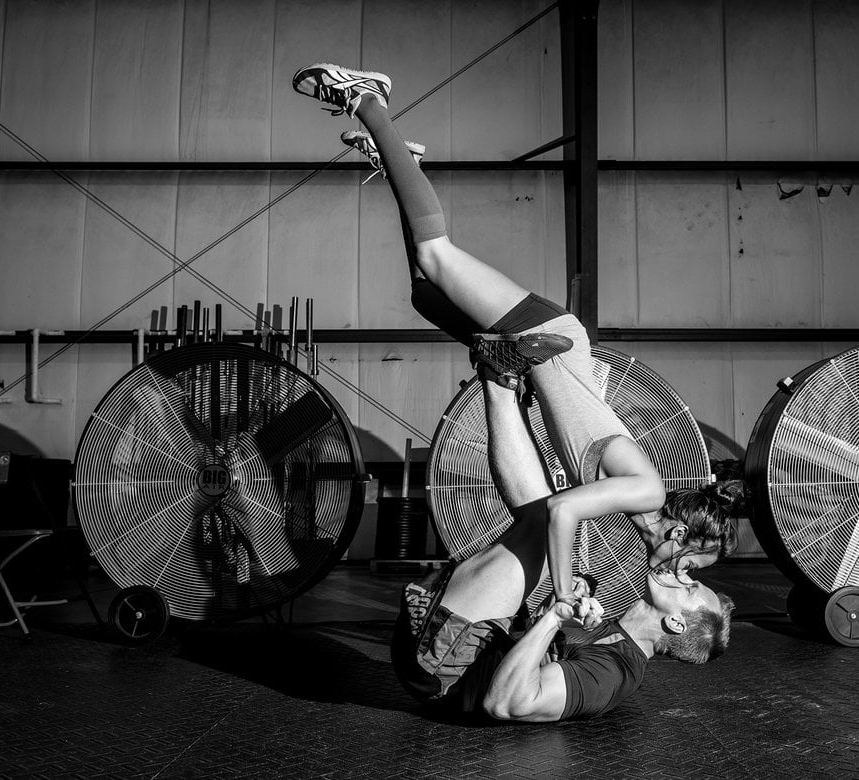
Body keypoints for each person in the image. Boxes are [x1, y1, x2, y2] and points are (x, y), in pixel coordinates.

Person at [293, 63, 740, 603]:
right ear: (678, 536)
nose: (684, 575)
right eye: (693, 567)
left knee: (422, 292)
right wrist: (564, 593)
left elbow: (577, 438)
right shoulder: (646, 490)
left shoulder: (629, 507)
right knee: (436, 256)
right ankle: (369, 100)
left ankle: (402, 166)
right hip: (550, 335)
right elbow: (561, 508)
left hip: (537, 356)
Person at [390, 360, 734, 720]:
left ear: (676, 623)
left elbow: (506, 704)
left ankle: (500, 379)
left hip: (443, 669)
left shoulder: (613, 673)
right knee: (545, 519)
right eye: (692, 572)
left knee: (545, 523)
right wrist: (561, 611)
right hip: (450, 649)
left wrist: (554, 617)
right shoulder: (609, 631)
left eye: (691, 586)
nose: (684, 575)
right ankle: (507, 386)